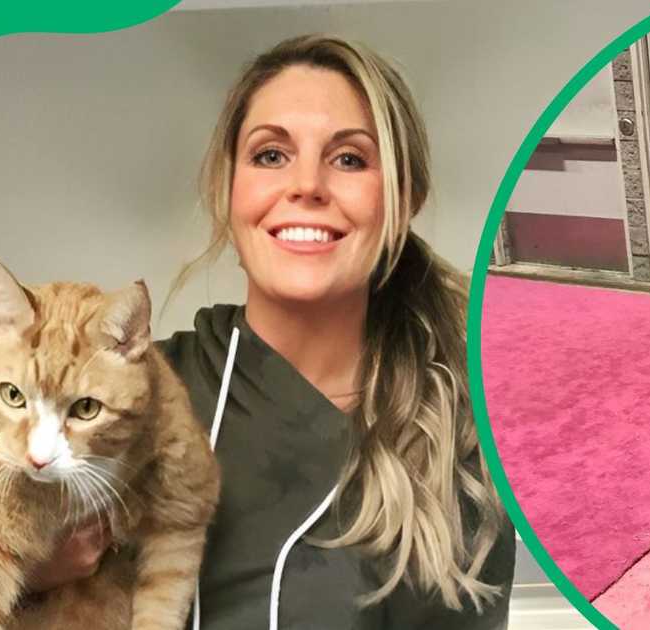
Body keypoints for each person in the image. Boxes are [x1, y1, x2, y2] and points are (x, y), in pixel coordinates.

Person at [30, 34, 515, 629]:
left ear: (404, 198)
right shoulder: (122, 400)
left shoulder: (469, 434)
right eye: (270, 155)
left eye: (349, 159)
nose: (306, 185)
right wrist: (27, 569)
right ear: (228, 193)